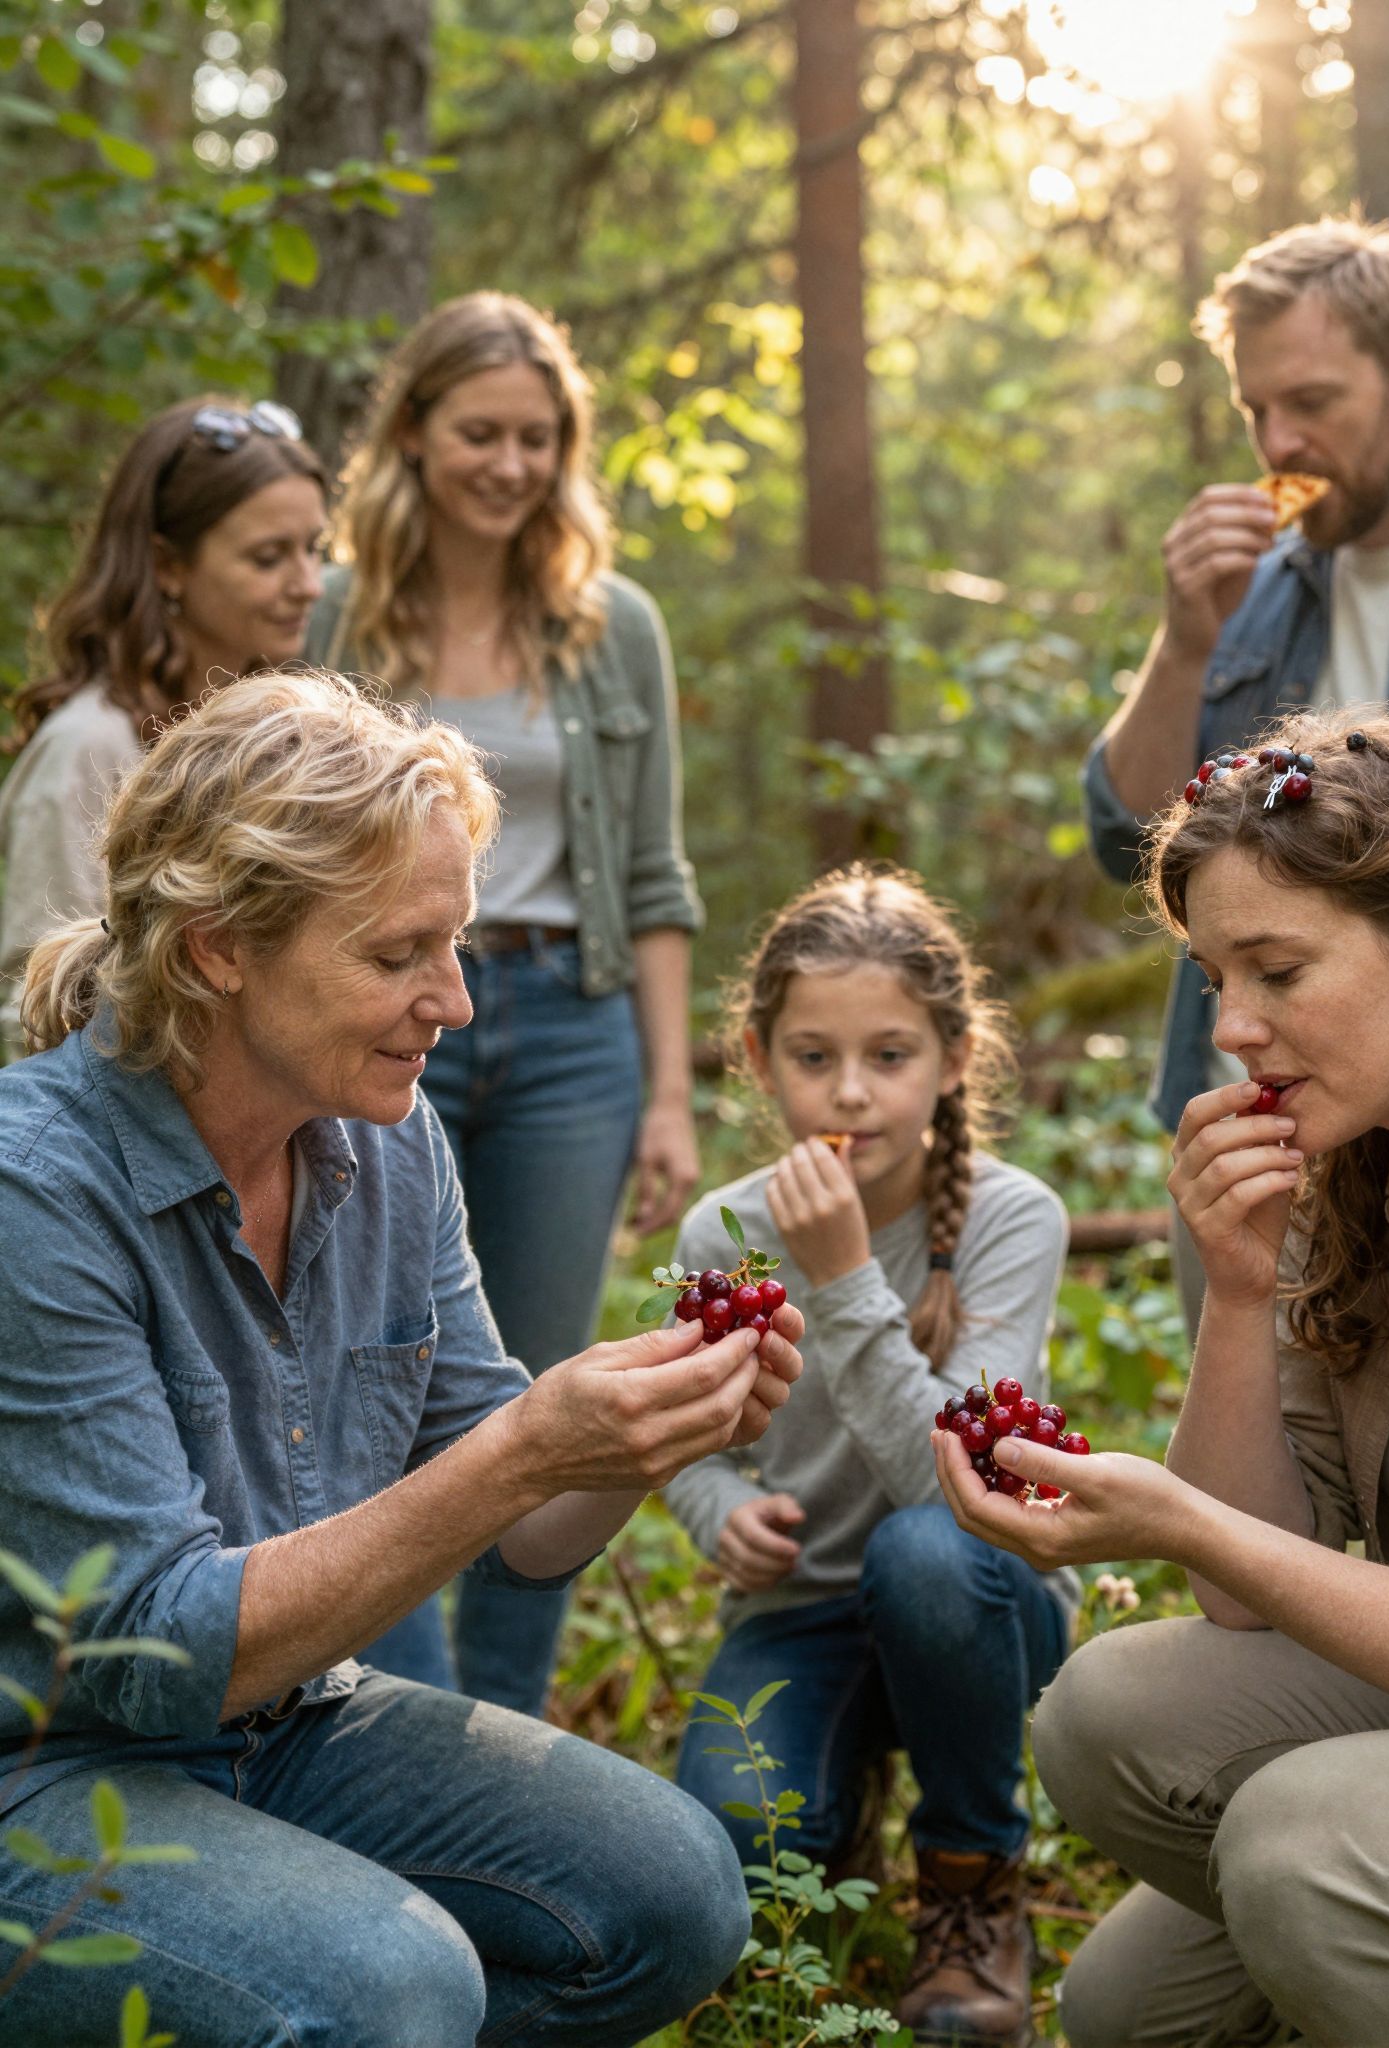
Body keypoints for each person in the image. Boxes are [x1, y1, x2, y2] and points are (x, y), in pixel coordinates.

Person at [0, 670, 805, 2048]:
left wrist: (640, 1434)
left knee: (676, 1895)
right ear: (216, 950)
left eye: (458, 946)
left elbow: (526, 1526)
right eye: (396, 956)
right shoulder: (35, 1192)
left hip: (287, 1725)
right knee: (392, 1989)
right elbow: (150, 1651)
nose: (455, 1003)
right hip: (48, 1767)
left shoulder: (384, 1135)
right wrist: (522, 1451)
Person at [938, 710, 1389, 2048]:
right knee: (1126, 1965)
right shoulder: (1363, 1157)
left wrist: (1172, 1512)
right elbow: (1242, 1590)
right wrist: (1242, 1290)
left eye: (1278, 969)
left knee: (1310, 1856)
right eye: (1215, 978)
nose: (1236, 1028)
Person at [306, 292, 702, 1705]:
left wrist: (667, 1094)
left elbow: (653, 879)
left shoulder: (615, 629)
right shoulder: (331, 613)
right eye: (480, 432)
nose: (510, 463)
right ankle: (389, 1727)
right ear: (412, 434)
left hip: (567, 1028)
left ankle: (507, 1735)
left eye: (538, 438)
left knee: (536, 1402)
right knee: (367, 1375)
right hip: (373, 1014)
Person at [1080, 215, 1389, 1335]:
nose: (1277, 440)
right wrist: (1185, 642)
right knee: (1255, 1485)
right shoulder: (1257, 587)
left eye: (1313, 401)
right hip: (1263, 1127)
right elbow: (1122, 835)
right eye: (1255, 410)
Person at [664, 868, 1075, 2046]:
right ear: (756, 1057)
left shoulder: (1012, 1219)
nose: (850, 1091)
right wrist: (713, 1509)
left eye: (890, 1054)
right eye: (813, 1055)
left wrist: (843, 1276)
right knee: (732, 1846)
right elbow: (685, 1440)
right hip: (801, 1609)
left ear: (954, 1056)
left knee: (928, 1548)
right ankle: (829, 1803)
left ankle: (970, 1882)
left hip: (984, 1595)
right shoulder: (724, 1229)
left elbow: (963, 1483)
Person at [0, 396, 327, 1049]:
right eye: (269, 558)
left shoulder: (280, 728)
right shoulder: (91, 744)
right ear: (168, 565)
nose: (309, 583)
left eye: (315, 549)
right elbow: (40, 1004)